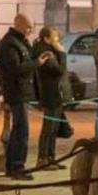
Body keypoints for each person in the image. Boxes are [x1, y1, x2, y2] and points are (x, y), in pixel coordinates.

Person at [0, 14, 55, 180]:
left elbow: (27, 60)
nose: (30, 30)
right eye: (28, 26)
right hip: (16, 92)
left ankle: (12, 166)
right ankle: (17, 167)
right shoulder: (9, 43)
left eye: (32, 27)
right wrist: (37, 63)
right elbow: (15, 69)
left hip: (22, 91)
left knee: (18, 130)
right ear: (17, 23)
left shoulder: (21, 41)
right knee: (22, 131)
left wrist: (40, 59)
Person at [32, 26, 69, 169]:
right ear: (46, 38)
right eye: (55, 36)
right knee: (48, 128)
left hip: (54, 93)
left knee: (54, 128)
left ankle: (51, 158)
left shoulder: (49, 51)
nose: (57, 39)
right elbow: (59, 70)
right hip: (50, 93)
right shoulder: (46, 52)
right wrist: (62, 53)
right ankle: (43, 159)